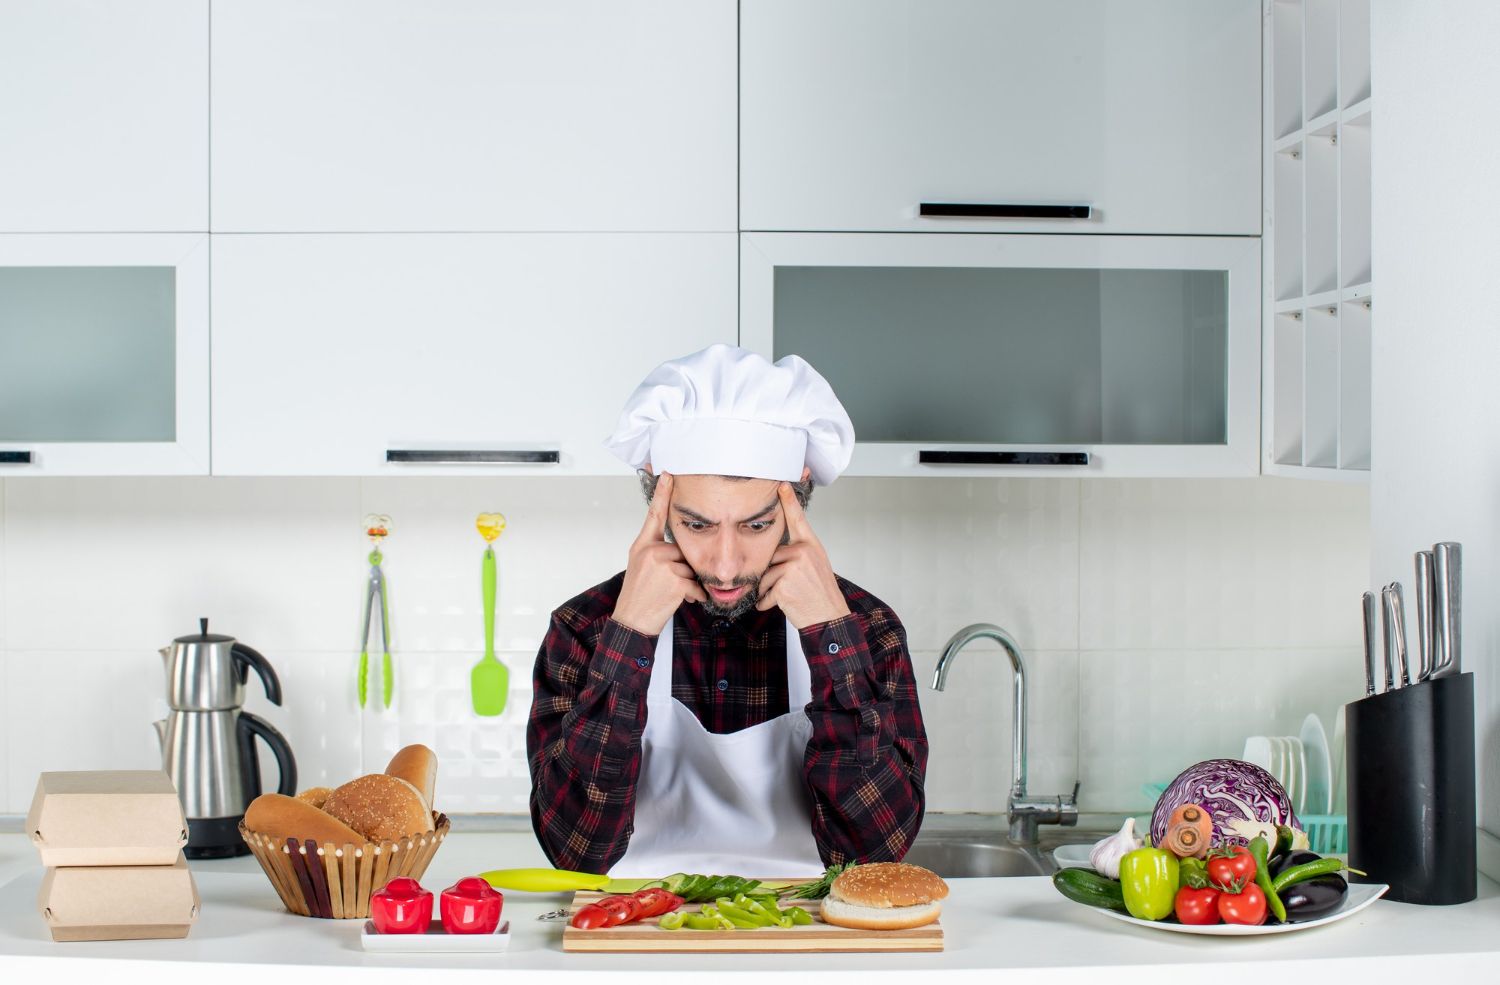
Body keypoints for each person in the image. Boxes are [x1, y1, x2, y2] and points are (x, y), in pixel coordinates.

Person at [527, 344, 927, 876]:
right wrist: (629, 636)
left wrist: (831, 639)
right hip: (634, 932)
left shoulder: (867, 630)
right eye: (696, 525)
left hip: (809, 935)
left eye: (756, 525)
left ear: (798, 497)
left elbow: (874, 858)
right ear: (657, 500)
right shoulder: (587, 628)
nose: (724, 565)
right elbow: (575, 852)